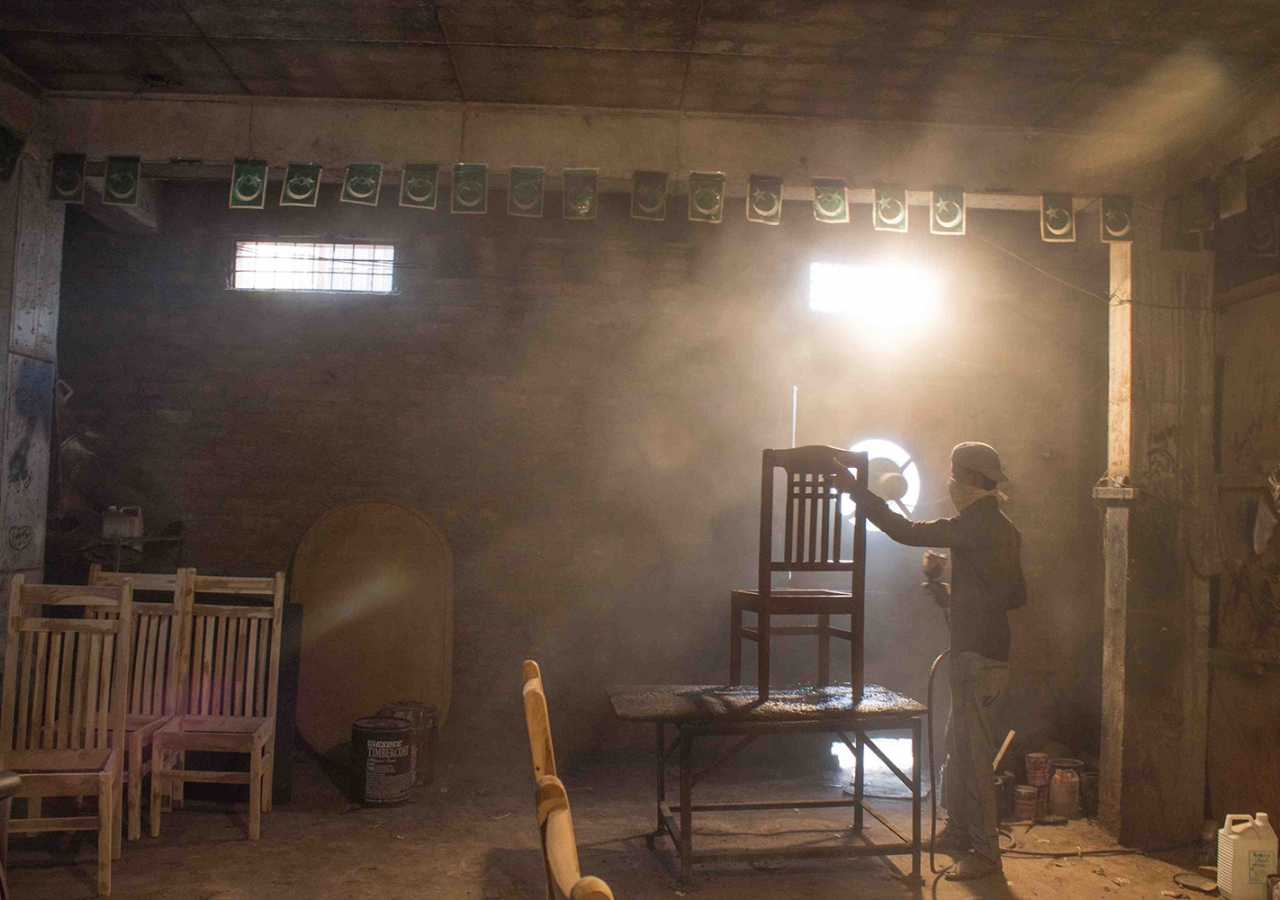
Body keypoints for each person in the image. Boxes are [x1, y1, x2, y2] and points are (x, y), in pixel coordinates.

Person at [834, 442, 1026, 882]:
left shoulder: (975, 524)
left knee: (973, 757)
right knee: (959, 748)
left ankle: (985, 852)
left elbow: (903, 530)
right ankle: (959, 831)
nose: (951, 481)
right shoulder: (1006, 529)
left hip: (977, 656)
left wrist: (858, 493)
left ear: (974, 480)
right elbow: (1015, 596)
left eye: (956, 473)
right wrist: (954, 597)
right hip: (988, 652)